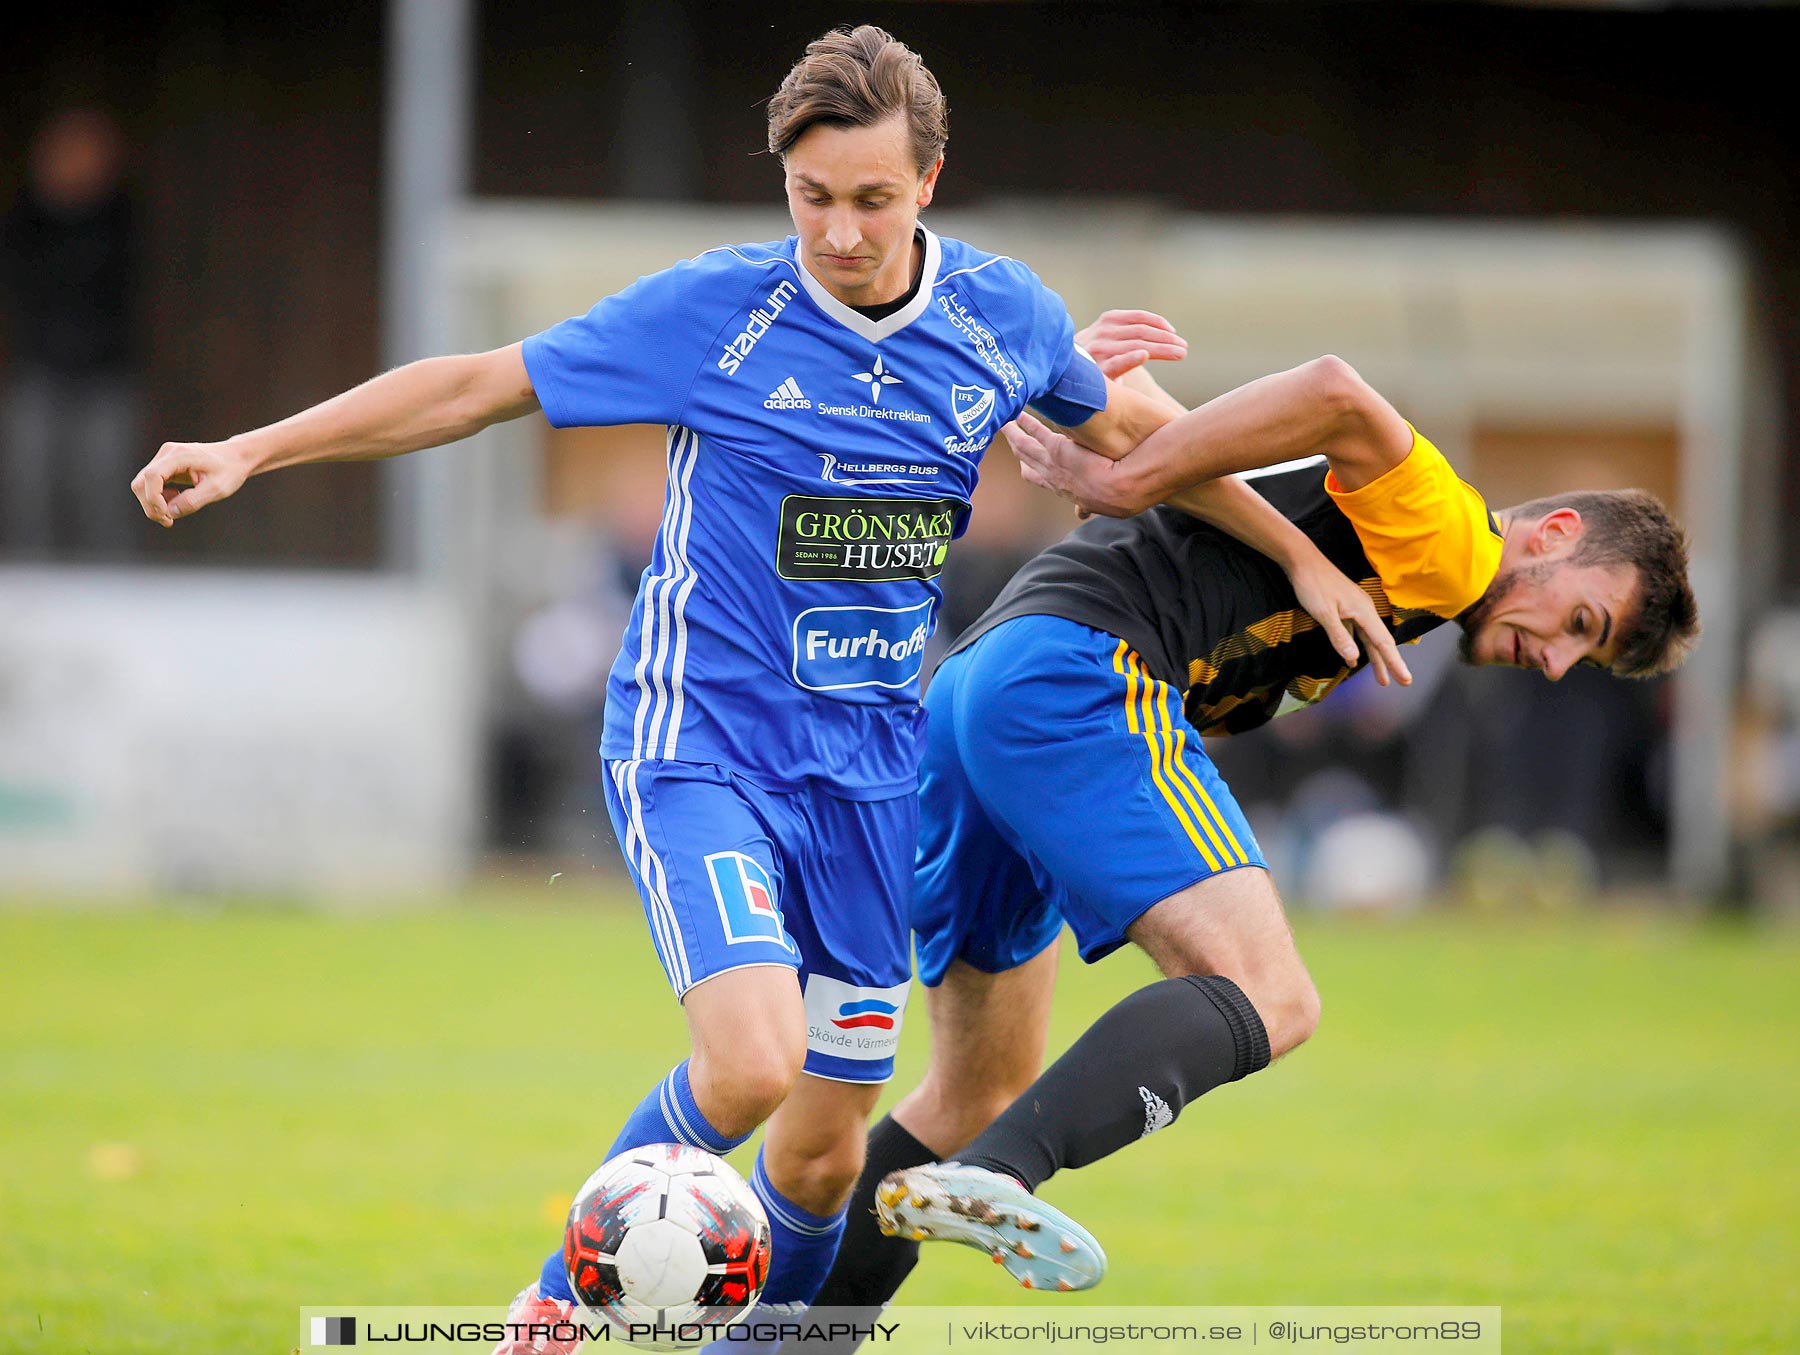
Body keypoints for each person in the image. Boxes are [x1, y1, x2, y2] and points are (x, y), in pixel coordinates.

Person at [128, 29, 1401, 1355]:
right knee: (749, 1061)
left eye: (871, 197)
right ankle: (552, 1314)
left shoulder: (1001, 315)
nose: (839, 230)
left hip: (865, 774)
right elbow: (473, 388)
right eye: (812, 197)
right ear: (781, 183)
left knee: (820, 1154)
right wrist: (252, 446)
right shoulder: (714, 313)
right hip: (704, 746)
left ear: (930, 182)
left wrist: (1305, 556)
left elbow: (1153, 443)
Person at [805, 319, 1698, 1312]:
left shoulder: (1377, 535)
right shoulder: (1459, 546)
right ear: (1557, 534)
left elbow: (1156, 428)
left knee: (971, 1094)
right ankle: (1004, 1174)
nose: (1559, 658)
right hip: (1078, 680)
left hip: (979, 686)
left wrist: (1090, 418)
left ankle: (776, 1340)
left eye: (1589, 657)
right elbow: (1335, 389)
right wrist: (1123, 475)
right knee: (1274, 995)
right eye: (1581, 623)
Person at [2, 107, 140, 559]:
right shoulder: (27, 219)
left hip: (106, 372)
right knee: (28, 484)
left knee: (109, 488)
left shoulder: (118, 217)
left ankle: (114, 589)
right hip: (39, 369)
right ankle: (28, 586)